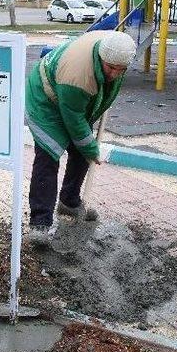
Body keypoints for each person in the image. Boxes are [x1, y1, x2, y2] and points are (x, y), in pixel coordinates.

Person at [25, 30, 136, 244]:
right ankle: (40, 222)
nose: (114, 74)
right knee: (48, 157)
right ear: (101, 58)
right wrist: (92, 149)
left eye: (120, 70)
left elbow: (88, 107)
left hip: (70, 99)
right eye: (110, 68)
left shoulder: (114, 49)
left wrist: (87, 146)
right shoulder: (78, 75)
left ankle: (69, 201)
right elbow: (75, 121)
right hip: (45, 98)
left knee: (80, 151)